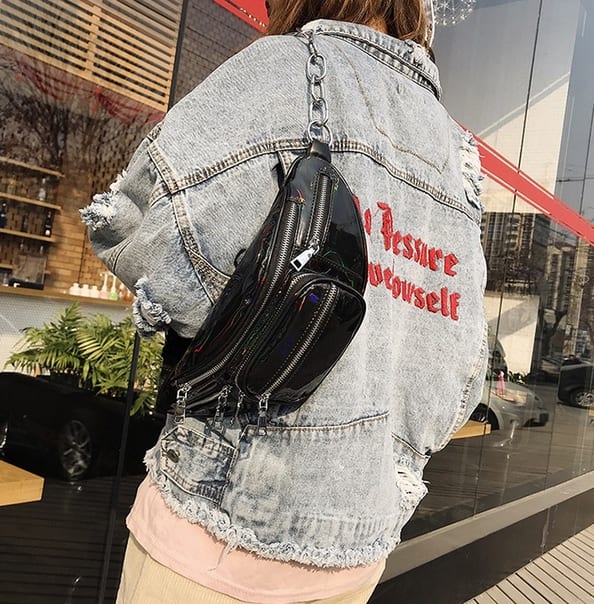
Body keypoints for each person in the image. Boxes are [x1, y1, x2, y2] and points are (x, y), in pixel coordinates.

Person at [82, 1, 488, 602]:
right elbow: (463, 374)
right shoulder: (458, 156)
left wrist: (245, 321)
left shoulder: (289, 72)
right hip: (359, 553)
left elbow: (144, 220)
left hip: (221, 528)